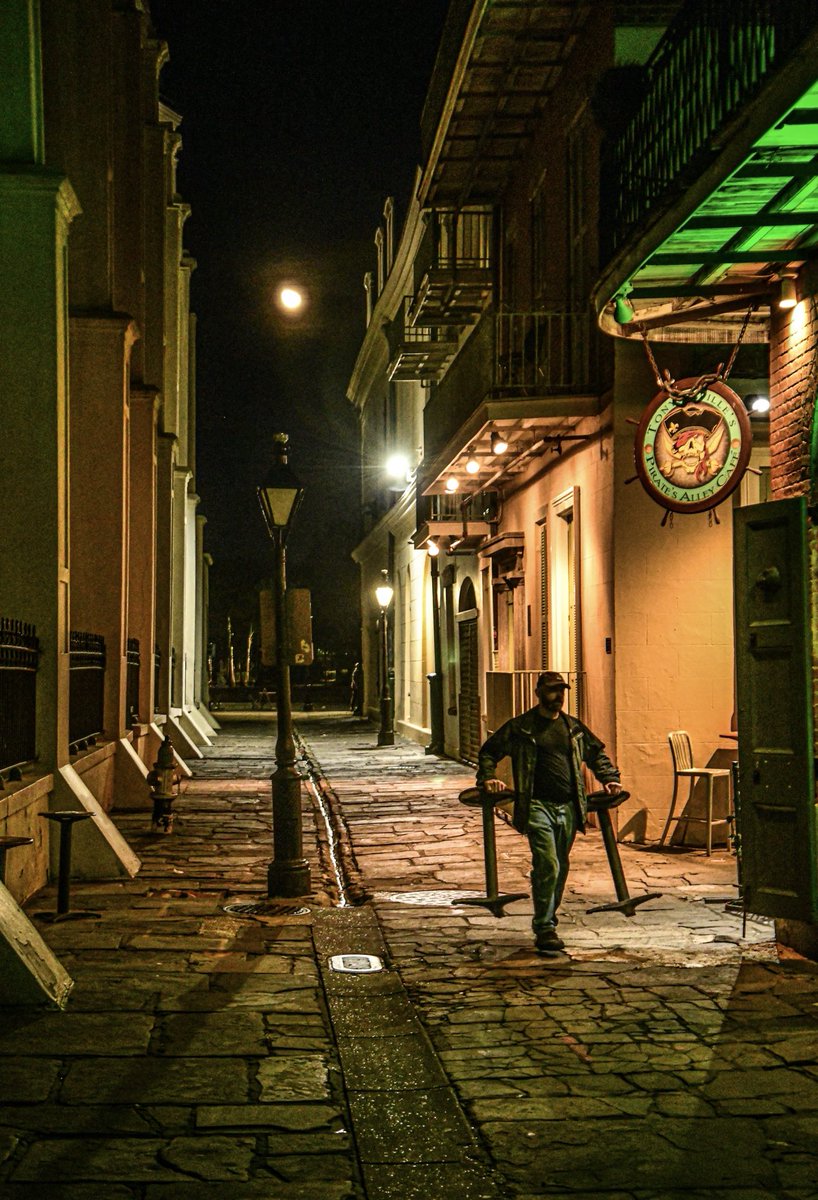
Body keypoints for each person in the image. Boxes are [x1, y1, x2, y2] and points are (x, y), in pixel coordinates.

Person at [476, 670, 622, 955]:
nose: (559, 696)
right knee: (548, 864)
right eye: (553, 690)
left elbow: (596, 754)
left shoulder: (572, 728)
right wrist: (488, 777)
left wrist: (609, 777)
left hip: (569, 807)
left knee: (560, 866)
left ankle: (547, 919)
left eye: (562, 691)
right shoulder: (521, 728)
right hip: (536, 805)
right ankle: (544, 927)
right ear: (539, 692)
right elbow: (489, 751)